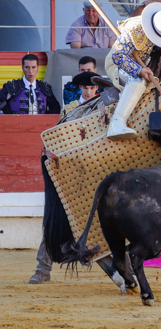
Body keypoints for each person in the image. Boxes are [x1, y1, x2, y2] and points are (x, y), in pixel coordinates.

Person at [29, 72, 101, 285]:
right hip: (69, 171)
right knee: (57, 218)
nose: (88, 91)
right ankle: (42, 269)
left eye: (91, 87)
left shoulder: (104, 108)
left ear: (97, 89)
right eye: (84, 87)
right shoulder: (70, 110)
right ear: (80, 88)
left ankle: (125, 274)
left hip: (94, 171)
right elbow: (58, 139)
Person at [105, 1, 161, 140]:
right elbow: (118, 55)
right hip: (119, 64)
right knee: (138, 80)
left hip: (146, 64)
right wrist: (139, 70)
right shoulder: (134, 29)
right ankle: (116, 122)